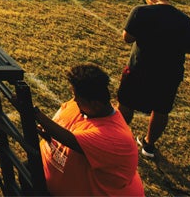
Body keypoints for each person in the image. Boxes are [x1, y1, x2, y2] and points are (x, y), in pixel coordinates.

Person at [117, 0, 190, 160]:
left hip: (139, 67)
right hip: (169, 72)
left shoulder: (142, 11)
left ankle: (117, 139)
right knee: (161, 109)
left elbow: (127, 37)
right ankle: (149, 144)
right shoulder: (184, 19)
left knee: (126, 104)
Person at [37, 63, 143, 197]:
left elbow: (71, 140)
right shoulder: (80, 107)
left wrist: (35, 113)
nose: (74, 100)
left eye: (78, 99)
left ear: (96, 104)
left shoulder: (115, 138)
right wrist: (49, 136)